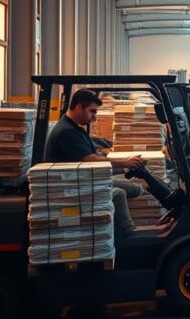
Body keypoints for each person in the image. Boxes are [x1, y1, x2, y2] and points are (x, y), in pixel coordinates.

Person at [43, 88, 182, 240]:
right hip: (70, 186)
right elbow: (91, 160)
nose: (94, 117)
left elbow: (95, 155)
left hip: (82, 179)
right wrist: (124, 162)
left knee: (136, 189)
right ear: (78, 107)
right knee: (118, 194)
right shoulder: (66, 132)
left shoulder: (75, 128)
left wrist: (126, 166)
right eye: (92, 111)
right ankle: (129, 234)